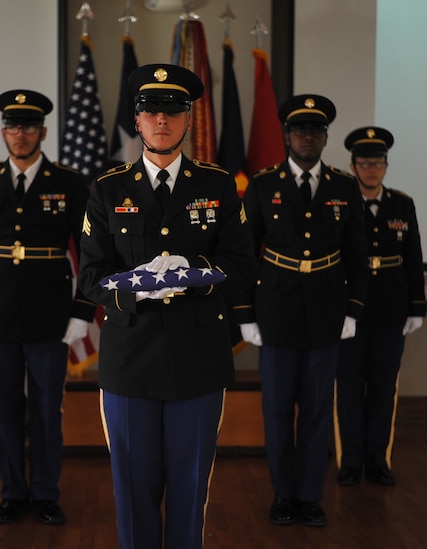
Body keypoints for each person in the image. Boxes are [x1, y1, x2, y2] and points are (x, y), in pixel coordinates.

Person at [77, 64, 257, 549]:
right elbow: (90, 278)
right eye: (151, 111)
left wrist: (192, 273)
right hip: (130, 361)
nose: (162, 120)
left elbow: (241, 267)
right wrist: (136, 286)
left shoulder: (218, 186)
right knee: (133, 493)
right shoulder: (108, 189)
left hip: (197, 358)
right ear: (137, 120)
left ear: (187, 119)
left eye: (173, 111)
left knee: (189, 488)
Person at [0, 89, 95, 525]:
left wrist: (81, 311)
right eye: (12, 127)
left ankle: (47, 491)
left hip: (50, 315)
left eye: (28, 127)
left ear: (43, 132)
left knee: (47, 408)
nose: (19, 135)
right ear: (3, 133)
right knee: (3, 407)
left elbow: (91, 250)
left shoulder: (69, 183)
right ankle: (12, 491)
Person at [239, 94, 369, 527]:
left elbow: (358, 255)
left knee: (315, 409)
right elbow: (241, 254)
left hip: (327, 310)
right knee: (277, 410)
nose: (307, 137)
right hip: (274, 310)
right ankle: (283, 495)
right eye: (300, 130)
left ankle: (310, 496)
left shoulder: (344, 186)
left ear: (326, 137)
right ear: (287, 136)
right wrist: (245, 314)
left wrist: (353, 310)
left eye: (315, 131)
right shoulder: (261, 185)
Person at [334, 126, 427, 487]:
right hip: (350, 310)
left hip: (391, 306)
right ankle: (351, 459)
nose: (371, 168)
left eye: (378, 162)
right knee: (348, 385)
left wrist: (417, 306)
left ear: (386, 166)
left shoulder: (402, 204)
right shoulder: (340, 202)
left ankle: (378, 459)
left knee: (383, 386)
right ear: (353, 165)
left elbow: (414, 256)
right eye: (364, 162)